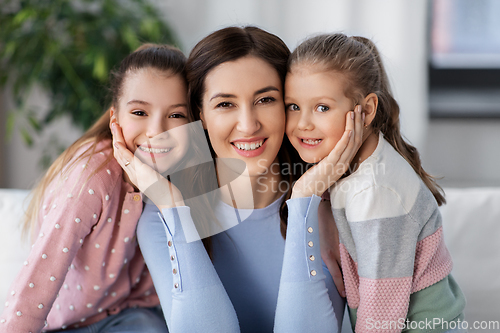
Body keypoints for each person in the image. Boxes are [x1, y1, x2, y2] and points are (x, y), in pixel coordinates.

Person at [111, 26, 364, 333]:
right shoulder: (160, 219)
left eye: (265, 100)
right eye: (225, 104)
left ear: (289, 105)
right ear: (200, 114)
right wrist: (174, 208)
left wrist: (304, 203)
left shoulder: (329, 209)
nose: (248, 124)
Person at [0, 43, 191, 332]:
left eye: (176, 115)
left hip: (131, 315)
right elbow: (35, 282)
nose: (156, 131)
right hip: (68, 325)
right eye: (139, 112)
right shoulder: (91, 178)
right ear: (115, 119)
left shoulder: (187, 168)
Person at [285, 33, 467, 333]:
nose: (303, 123)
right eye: (293, 106)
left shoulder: (375, 190)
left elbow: (381, 311)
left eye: (322, 108)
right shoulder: (353, 166)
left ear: (367, 110)